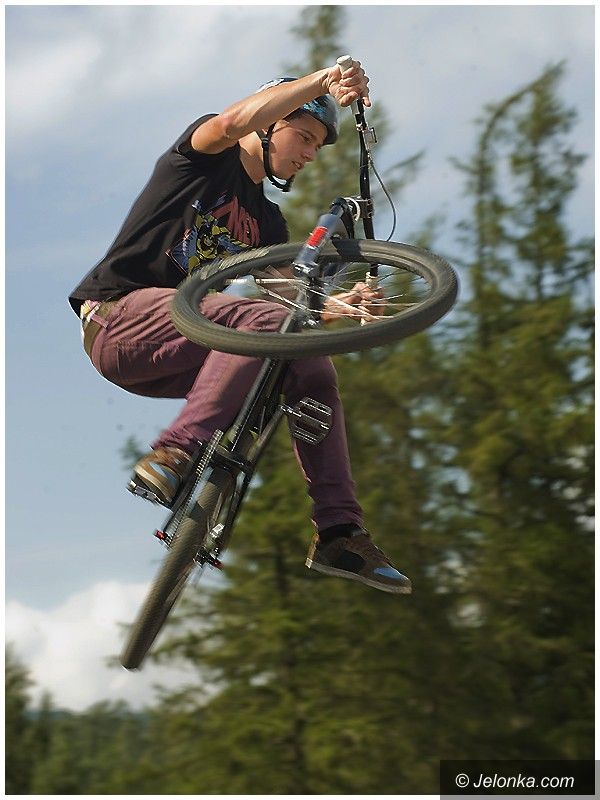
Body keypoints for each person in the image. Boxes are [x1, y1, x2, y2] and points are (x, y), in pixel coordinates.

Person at [68, 59, 411, 594]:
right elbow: (231, 123)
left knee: (311, 368)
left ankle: (339, 531)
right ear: (268, 125)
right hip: (118, 320)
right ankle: (177, 450)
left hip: (181, 355)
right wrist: (322, 80)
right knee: (262, 323)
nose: (308, 154)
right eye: (304, 137)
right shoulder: (203, 158)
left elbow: (292, 305)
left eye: (318, 147)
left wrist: (344, 306)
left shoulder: (267, 224)